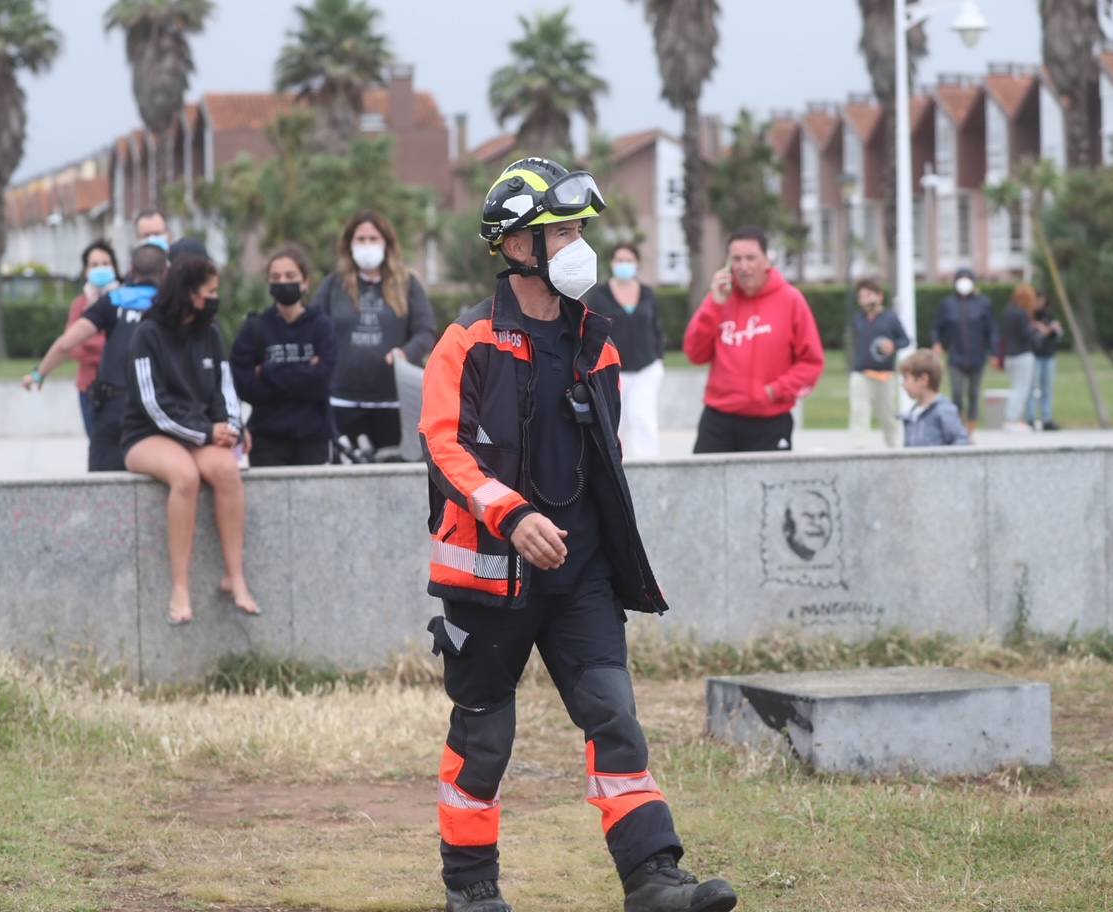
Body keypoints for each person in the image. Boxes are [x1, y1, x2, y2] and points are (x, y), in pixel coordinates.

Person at [419, 156, 737, 912]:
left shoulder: (601, 341)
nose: (577, 246)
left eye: (578, 231)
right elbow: (442, 446)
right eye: (560, 232)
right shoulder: (465, 342)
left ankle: (653, 877)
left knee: (614, 718)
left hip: (581, 574)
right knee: (484, 740)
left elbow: (606, 456)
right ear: (517, 245)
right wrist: (513, 513)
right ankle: (471, 889)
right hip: (490, 577)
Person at [121, 253, 258, 625]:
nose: (216, 297)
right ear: (189, 292)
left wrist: (232, 427)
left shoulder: (210, 333)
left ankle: (235, 576)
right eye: (210, 290)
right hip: (147, 435)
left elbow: (224, 390)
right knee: (185, 477)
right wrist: (203, 432)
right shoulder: (147, 335)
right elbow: (153, 405)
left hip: (199, 433)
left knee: (227, 470)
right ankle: (180, 587)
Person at [24, 243, 167, 470]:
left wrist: (39, 374)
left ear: (130, 269)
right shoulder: (174, 305)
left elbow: (66, 343)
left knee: (105, 487)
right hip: (162, 408)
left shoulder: (114, 300)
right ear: (166, 272)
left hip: (115, 407)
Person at [683, 226, 825, 453]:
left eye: (751, 258)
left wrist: (775, 390)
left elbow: (812, 362)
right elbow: (695, 354)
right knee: (702, 486)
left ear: (766, 260)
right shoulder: (720, 299)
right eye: (736, 259)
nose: (744, 266)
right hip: (718, 419)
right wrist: (714, 304)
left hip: (770, 420)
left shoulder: (791, 299)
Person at [313, 210, 437, 452]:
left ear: (386, 243)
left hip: (394, 402)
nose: (367, 245)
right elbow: (315, 329)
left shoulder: (408, 284)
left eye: (373, 239)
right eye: (361, 239)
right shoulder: (333, 285)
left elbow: (426, 330)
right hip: (343, 401)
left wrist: (405, 353)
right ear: (349, 245)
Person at [229, 245, 337, 466]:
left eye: (290, 276)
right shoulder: (254, 328)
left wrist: (267, 370)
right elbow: (244, 384)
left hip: (313, 437)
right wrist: (305, 372)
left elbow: (323, 381)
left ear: (305, 281)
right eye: (275, 277)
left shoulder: (322, 326)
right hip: (267, 439)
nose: (283, 282)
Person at [585, 243, 666, 459]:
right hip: (613, 369)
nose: (624, 265)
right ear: (612, 263)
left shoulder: (647, 294)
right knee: (616, 421)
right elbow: (591, 330)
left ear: (637, 263)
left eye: (628, 260)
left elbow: (656, 327)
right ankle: (618, 465)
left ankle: (648, 462)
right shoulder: (599, 295)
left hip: (646, 368)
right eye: (619, 260)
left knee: (642, 417)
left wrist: (659, 357)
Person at [931, 267, 996, 439]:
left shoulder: (983, 303)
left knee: (973, 394)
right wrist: (937, 343)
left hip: (977, 356)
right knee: (957, 393)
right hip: (956, 357)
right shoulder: (948, 304)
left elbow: (991, 330)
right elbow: (937, 327)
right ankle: (958, 427)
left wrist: (994, 353)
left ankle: (971, 430)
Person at [847, 277, 910, 448]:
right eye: (862, 296)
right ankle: (858, 447)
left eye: (869, 295)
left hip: (884, 375)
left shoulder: (890, 318)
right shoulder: (858, 319)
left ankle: (893, 446)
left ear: (879, 296)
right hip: (862, 373)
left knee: (888, 414)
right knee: (859, 411)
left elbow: (906, 340)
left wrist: (893, 346)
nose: (865, 300)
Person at [65, 240, 119, 437]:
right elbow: (73, 348)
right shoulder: (79, 305)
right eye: (94, 265)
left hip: (120, 389)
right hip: (88, 388)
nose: (101, 269)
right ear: (85, 270)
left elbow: (125, 346)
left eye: (105, 263)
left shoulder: (124, 300)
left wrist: (89, 342)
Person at [1000, 283, 1050, 432]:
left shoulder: (1008, 311)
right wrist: (1040, 333)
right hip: (1022, 355)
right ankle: (1012, 419)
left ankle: (1013, 418)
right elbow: (1026, 335)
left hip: (1010, 355)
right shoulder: (1021, 314)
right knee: (1021, 389)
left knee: (1015, 387)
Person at [900, 349, 969, 447]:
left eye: (906, 378)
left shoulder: (944, 410)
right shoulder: (913, 413)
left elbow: (961, 440)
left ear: (923, 380)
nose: (902, 384)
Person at [1026, 289, 1063, 430]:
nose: (1040, 303)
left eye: (1042, 300)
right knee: (1032, 388)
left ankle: (1047, 418)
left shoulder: (1048, 315)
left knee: (1047, 388)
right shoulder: (1029, 316)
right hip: (1034, 355)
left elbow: (1056, 333)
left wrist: (1052, 330)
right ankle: (1030, 418)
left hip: (1048, 355)